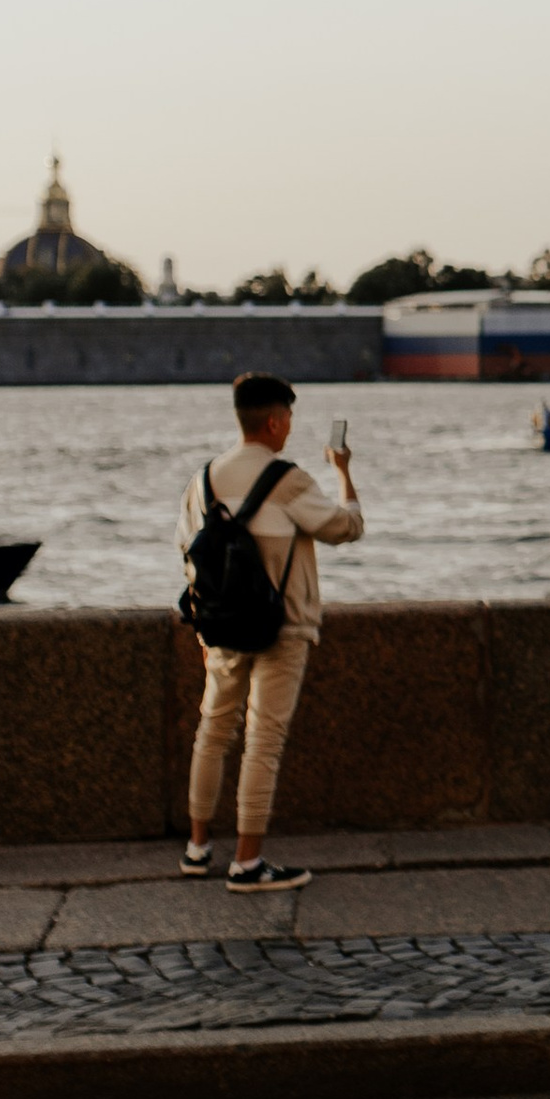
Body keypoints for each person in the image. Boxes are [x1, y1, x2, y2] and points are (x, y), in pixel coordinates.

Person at [178, 373, 364, 896]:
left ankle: (196, 851)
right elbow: (346, 527)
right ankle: (248, 862)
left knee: (212, 733)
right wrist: (343, 474)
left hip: (220, 627)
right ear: (276, 421)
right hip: (281, 628)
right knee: (263, 741)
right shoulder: (288, 479)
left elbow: (185, 548)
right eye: (289, 421)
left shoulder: (203, 480)